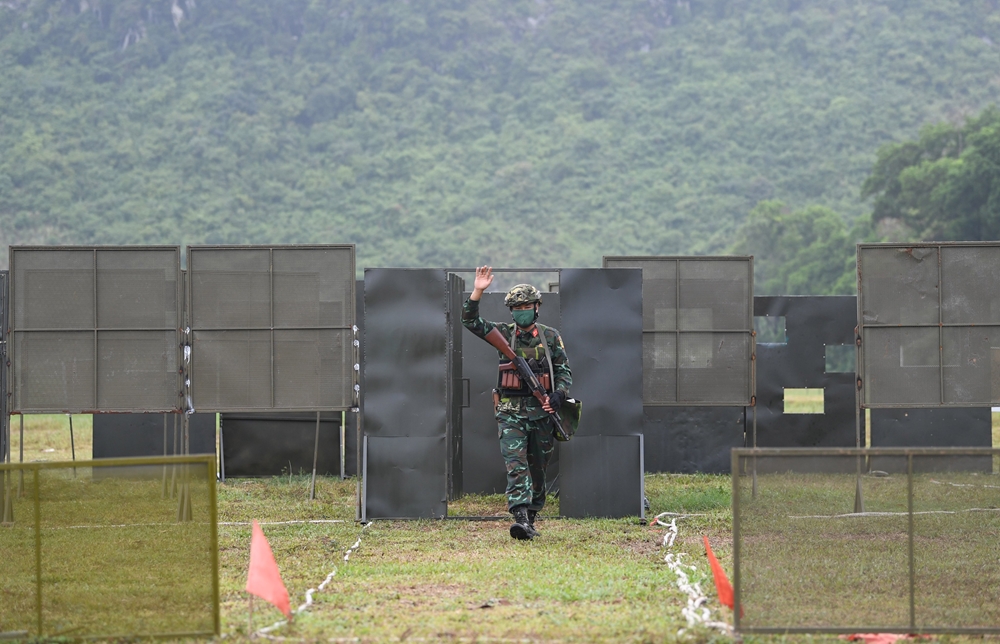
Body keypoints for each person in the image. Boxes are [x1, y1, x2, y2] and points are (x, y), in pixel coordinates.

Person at [461, 266, 572, 540]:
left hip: (542, 412)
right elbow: (470, 321)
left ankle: (531, 518)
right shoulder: (503, 333)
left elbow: (563, 370)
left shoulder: (550, 336)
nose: (522, 310)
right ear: (511, 311)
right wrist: (478, 291)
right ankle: (520, 517)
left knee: (538, 467)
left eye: (527, 305)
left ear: (537, 307)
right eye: (517, 306)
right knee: (516, 464)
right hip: (510, 412)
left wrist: (558, 395)